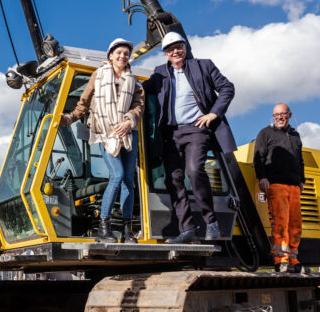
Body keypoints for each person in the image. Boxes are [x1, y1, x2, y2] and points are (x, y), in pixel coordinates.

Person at [143, 32, 236, 243]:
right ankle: (187, 229)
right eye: (170, 49)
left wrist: (213, 113)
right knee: (174, 179)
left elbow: (227, 88)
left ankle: (211, 222)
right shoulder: (159, 74)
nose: (175, 51)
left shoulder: (203, 66)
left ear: (185, 48)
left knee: (194, 171)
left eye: (178, 47)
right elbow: (141, 89)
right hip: (171, 134)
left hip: (196, 129)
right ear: (166, 54)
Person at [61, 38, 144, 243]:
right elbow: (84, 103)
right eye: (119, 52)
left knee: (128, 182)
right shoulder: (98, 77)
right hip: (107, 135)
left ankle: (126, 231)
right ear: (110, 55)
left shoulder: (134, 82)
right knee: (117, 175)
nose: (123, 56)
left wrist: (128, 121)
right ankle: (103, 227)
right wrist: (70, 118)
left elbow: (138, 106)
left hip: (127, 134)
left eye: (126, 53)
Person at [253, 103, 305, 273]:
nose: (280, 117)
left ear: (290, 115)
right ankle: (280, 260)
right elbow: (258, 157)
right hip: (276, 184)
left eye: (283, 114)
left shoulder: (295, 136)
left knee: (296, 224)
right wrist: (262, 177)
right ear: (273, 117)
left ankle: (293, 259)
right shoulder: (265, 133)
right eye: (276, 115)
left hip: (294, 186)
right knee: (280, 222)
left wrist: (301, 180)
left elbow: (300, 160)